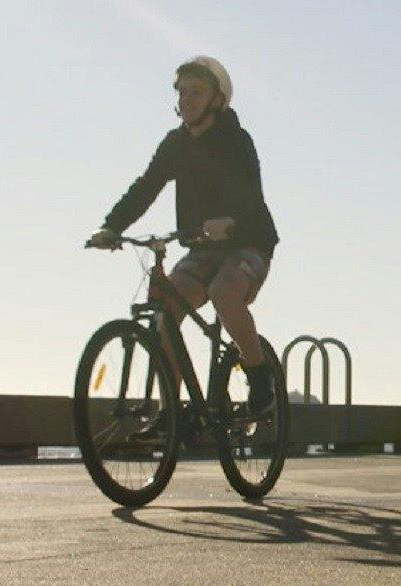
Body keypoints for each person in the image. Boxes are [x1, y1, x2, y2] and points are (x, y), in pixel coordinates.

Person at [87, 55, 281, 415]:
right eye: (182, 91)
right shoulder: (175, 144)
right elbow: (145, 187)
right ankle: (170, 414)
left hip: (249, 242)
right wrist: (112, 226)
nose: (187, 99)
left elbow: (250, 194)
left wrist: (231, 221)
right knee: (166, 310)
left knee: (224, 292)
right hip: (203, 247)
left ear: (217, 100)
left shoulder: (236, 141)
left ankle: (259, 376)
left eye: (197, 91)